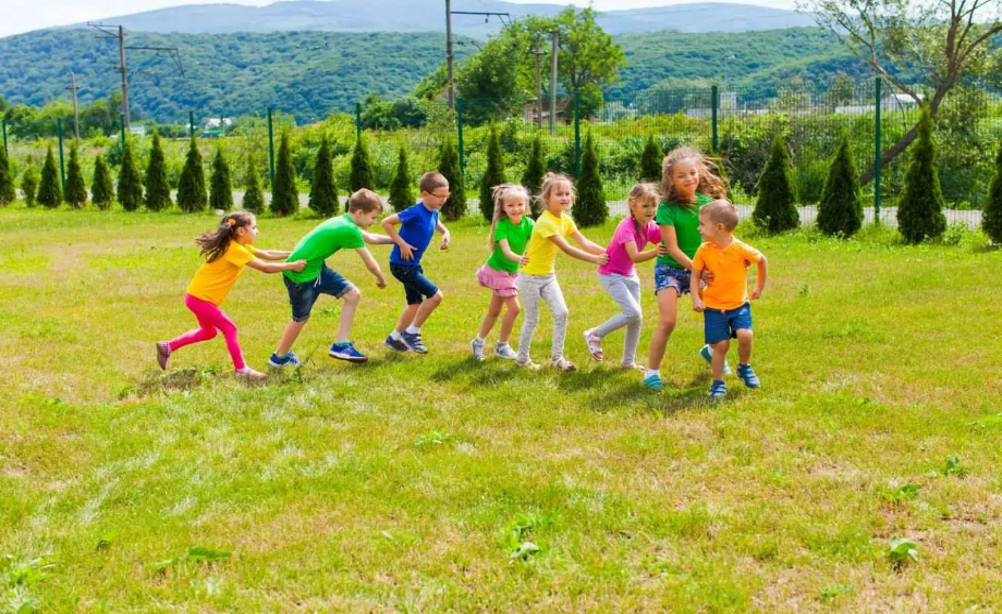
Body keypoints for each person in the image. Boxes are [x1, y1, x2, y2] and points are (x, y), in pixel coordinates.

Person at [157, 212, 305, 380]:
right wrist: (291, 265)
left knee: (209, 332)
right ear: (241, 231)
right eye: (254, 227)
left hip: (195, 296)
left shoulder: (237, 246)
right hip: (201, 299)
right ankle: (241, 369)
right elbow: (265, 267)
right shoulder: (235, 249)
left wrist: (292, 253)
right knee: (230, 328)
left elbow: (266, 254)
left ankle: (168, 346)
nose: (257, 232)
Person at [269, 189, 392, 367]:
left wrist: (396, 240)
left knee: (352, 294)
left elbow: (371, 238)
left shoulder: (342, 221)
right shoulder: (348, 229)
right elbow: (370, 263)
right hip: (302, 276)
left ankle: (341, 345)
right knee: (300, 319)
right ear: (359, 213)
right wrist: (381, 278)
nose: (374, 221)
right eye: (373, 217)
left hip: (316, 268)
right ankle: (279, 358)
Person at [644, 146, 729, 392]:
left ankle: (711, 351)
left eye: (692, 173)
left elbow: (718, 241)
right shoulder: (667, 209)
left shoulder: (708, 205)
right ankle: (651, 372)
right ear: (671, 179)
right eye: (681, 176)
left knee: (719, 316)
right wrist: (698, 272)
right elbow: (671, 248)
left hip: (700, 270)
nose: (689, 179)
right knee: (668, 321)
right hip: (670, 270)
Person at [516, 173, 609, 371]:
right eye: (559, 194)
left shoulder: (566, 220)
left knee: (562, 312)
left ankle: (557, 359)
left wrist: (609, 252)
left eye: (567, 193)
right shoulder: (545, 222)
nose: (564, 197)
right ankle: (522, 359)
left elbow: (584, 242)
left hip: (548, 276)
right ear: (546, 198)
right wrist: (595, 260)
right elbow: (567, 249)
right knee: (532, 319)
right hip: (529, 277)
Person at [690, 200, 768, 398]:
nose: (698, 228)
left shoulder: (740, 249)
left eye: (702, 224)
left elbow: (762, 260)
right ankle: (717, 383)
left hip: (739, 305)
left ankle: (744, 367)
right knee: (721, 345)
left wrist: (759, 287)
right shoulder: (704, 250)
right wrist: (696, 299)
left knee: (745, 335)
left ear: (719, 228)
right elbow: (695, 274)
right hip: (714, 307)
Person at [583, 183, 666, 369]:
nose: (650, 210)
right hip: (611, 274)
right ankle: (595, 334)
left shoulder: (651, 226)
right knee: (633, 312)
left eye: (654, 206)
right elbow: (635, 256)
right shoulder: (626, 227)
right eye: (645, 206)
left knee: (637, 318)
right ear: (632, 205)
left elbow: (667, 238)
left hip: (629, 275)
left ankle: (628, 362)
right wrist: (656, 252)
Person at [382, 172, 451, 354]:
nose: (443, 200)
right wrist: (402, 243)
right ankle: (412, 333)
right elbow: (386, 222)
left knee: (414, 304)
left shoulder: (433, 211)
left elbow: (436, 222)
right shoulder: (415, 212)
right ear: (425, 194)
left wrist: (446, 233)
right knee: (436, 296)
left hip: (411, 265)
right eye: (440, 196)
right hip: (402, 265)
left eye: (446, 196)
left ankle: (394, 338)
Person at [470, 184, 534, 361]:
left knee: (494, 310)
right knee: (514, 309)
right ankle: (502, 346)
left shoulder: (529, 224)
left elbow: (539, 241)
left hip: (511, 272)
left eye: (520, 204)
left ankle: (478, 342)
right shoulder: (502, 226)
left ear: (526, 205)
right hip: (498, 271)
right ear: (503, 208)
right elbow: (506, 251)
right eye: (511, 205)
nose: (516, 209)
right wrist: (520, 259)